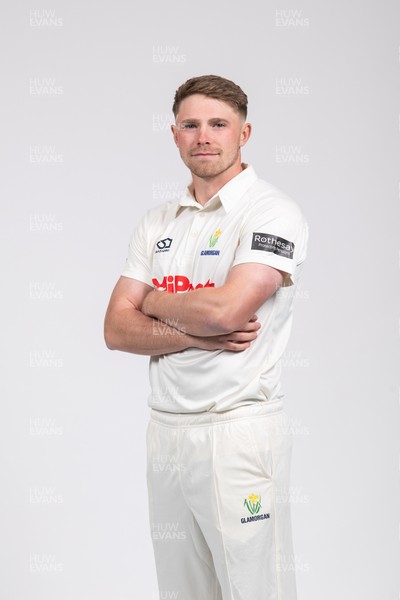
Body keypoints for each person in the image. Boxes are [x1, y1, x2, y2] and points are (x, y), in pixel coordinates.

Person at [104, 74, 308, 600]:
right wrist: (196, 335)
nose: (204, 137)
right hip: (167, 431)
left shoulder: (270, 211)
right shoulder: (158, 221)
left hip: (237, 429)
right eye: (191, 125)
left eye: (218, 124)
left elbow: (226, 310)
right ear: (174, 135)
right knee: (183, 592)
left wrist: (149, 300)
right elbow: (115, 328)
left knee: (254, 588)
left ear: (245, 133)